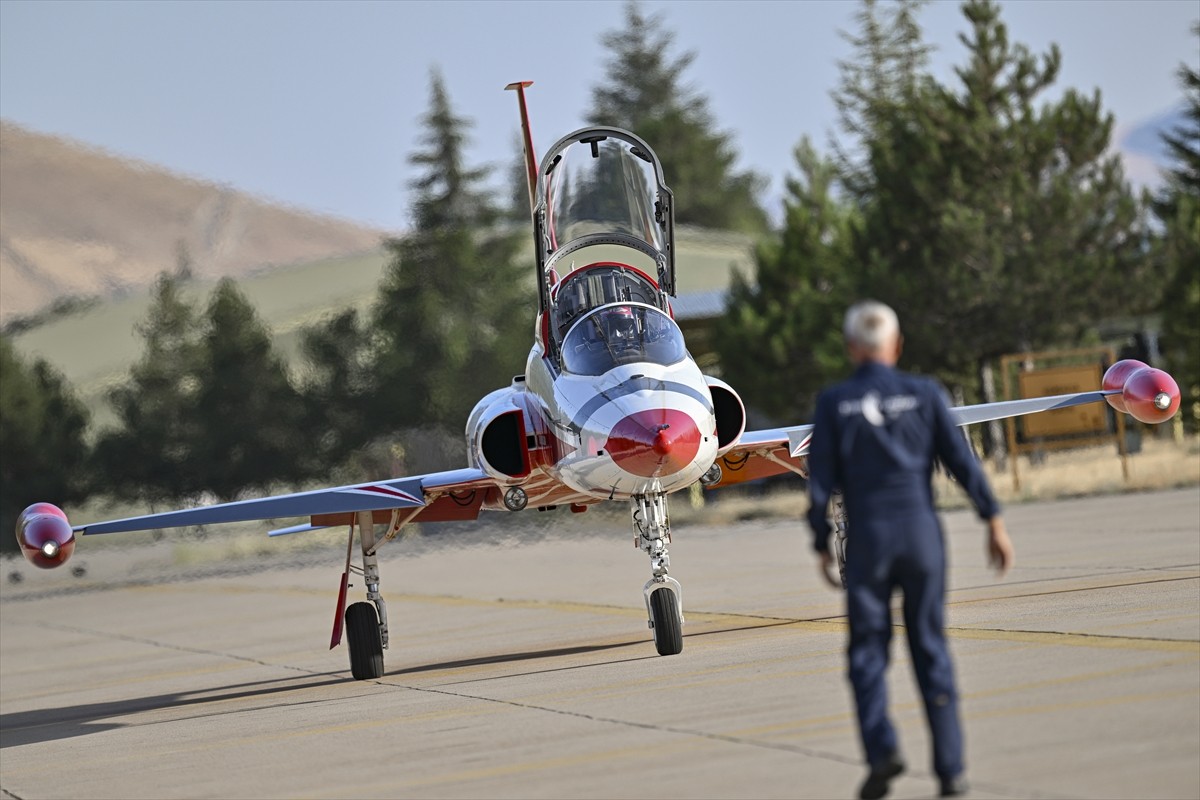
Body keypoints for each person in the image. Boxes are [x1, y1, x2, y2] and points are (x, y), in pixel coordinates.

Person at [805, 300, 1014, 800]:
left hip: (870, 539)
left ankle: (882, 751)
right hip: (921, 535)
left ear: (851, 348)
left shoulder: (834, 403)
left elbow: (820, 482)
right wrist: (992, 519)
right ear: (896, 346)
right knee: (930, 648)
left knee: (867, 653)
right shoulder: (925, 393)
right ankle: (951, 771)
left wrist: (819, 541)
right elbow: (962, 462)